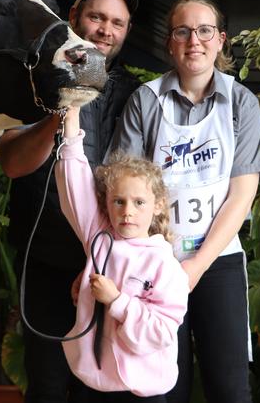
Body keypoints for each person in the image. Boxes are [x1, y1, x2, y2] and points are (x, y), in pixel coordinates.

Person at [107, 0, 260, 403]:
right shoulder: (145, 101)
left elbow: (242, 193)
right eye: (182, 31)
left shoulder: (241, 102)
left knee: (230, 388)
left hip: (218, 261)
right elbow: (120, 183)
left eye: (204, 31)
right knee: (161, 387)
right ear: (170, 42)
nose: (193, 40)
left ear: (221, 41)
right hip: (153, 263)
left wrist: (196, 266)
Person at [0, 0, 142, 403]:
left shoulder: (135, 94)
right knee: (45, 385)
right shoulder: (33, 79)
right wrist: (65, 105)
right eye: (97, 17)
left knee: (97, 389)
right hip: (45, 259)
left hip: (106, 268)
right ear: (74, 17)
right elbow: (12, 163)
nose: (106, 29)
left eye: (117, 22)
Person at [55, 106, 189, 403]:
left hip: (142, 392)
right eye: (119, 201)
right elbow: (74, 182)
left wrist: (117, 301)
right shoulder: (100, 239)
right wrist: (72, 117)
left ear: (157, 205)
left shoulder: (165, 265)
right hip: (93, 386)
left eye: (139, 202)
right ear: (107, 204)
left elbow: (161, 330)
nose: (127, 211)